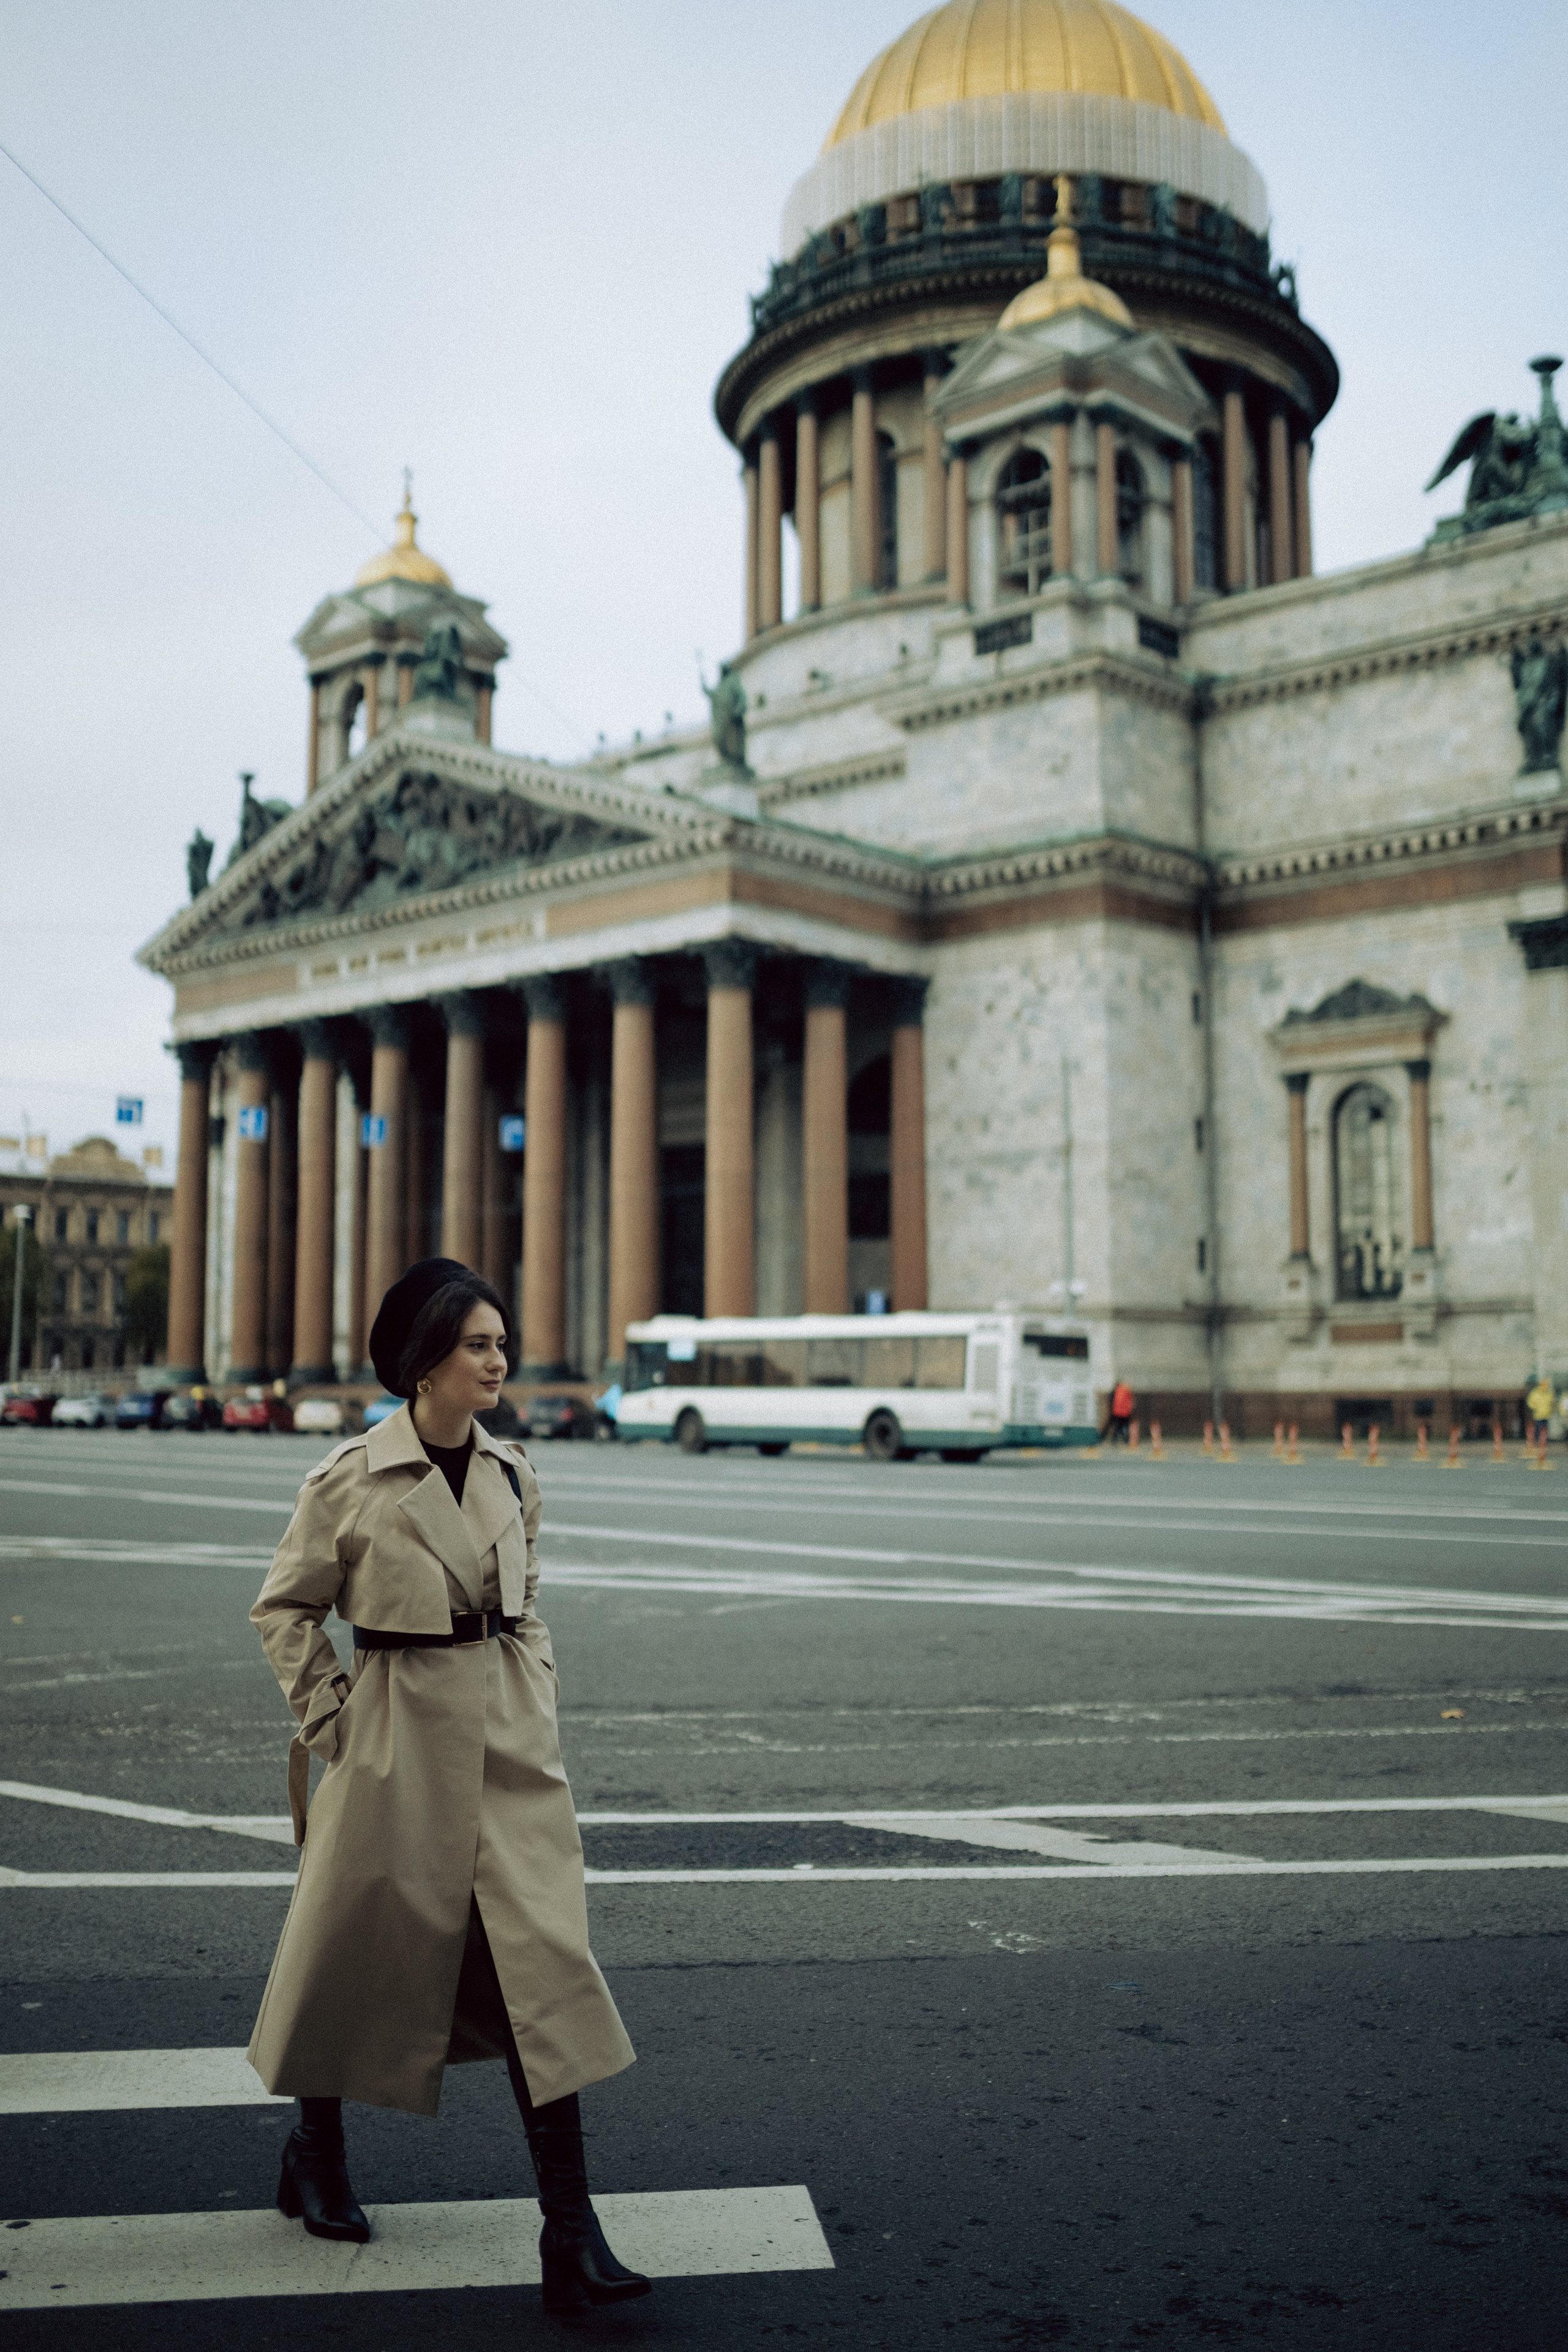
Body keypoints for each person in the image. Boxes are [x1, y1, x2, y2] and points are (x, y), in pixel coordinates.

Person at [247, 1256, 649, 2314]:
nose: (498, 1360)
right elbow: (284, 1609)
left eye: (501, 1343)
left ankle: (571, 2231)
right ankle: (316, 2150)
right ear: (423, 1364)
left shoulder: (515, 1473)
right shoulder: (349, 1477)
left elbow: (526, 1604)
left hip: (507, 1760)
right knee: (346, 1954)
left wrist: (534, 1695)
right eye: (477, 1344)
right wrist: (332, 1717)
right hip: (393, 1746)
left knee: (542, 1973)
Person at [1106, 1378, 1135, 1444]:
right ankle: (1126, 1439)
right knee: (1125, 1426)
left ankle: (1115, 1439)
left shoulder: (1117, 1391)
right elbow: (1130, 1402)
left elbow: (1114, 1401)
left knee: (1118, 1426)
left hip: (1117, 1412)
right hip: (1125, 1412)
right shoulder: (1127, 1390)